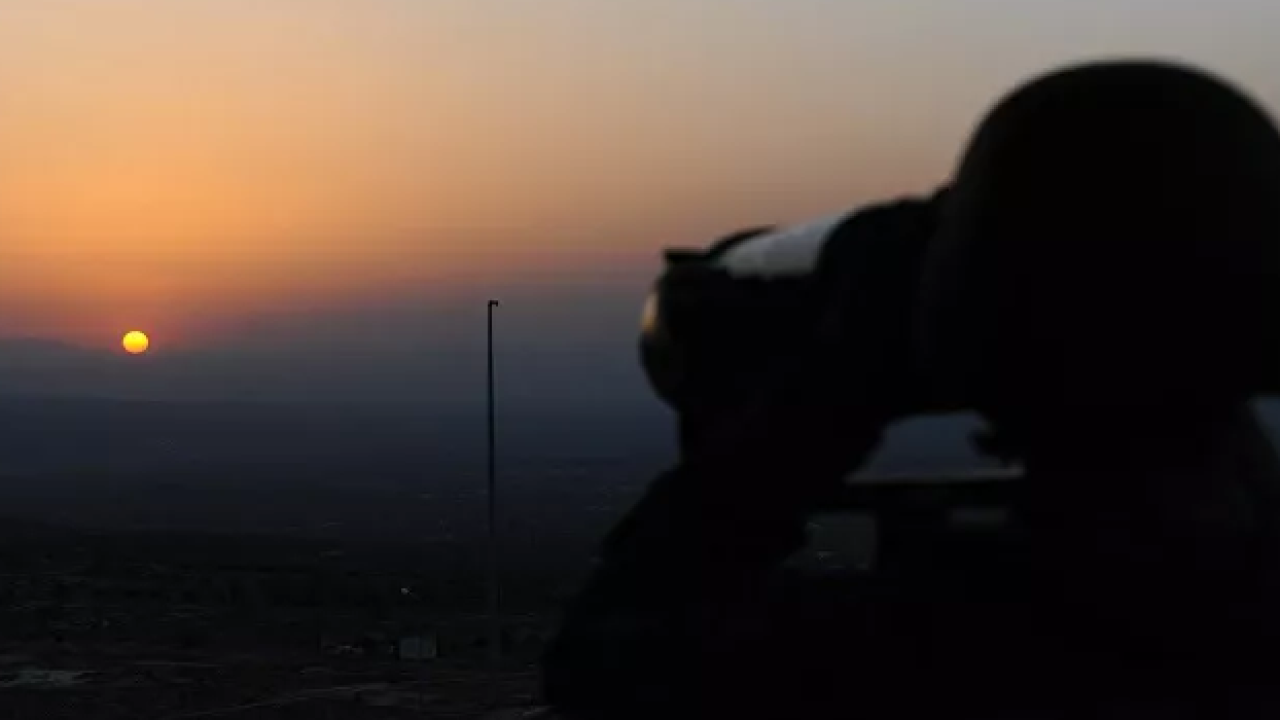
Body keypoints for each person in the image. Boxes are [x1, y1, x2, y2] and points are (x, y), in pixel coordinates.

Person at [541, 59, 1280, 719]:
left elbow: (612, 661)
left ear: (976, 318)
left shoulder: (971, 646)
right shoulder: (1234, 599)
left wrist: (808, 409)